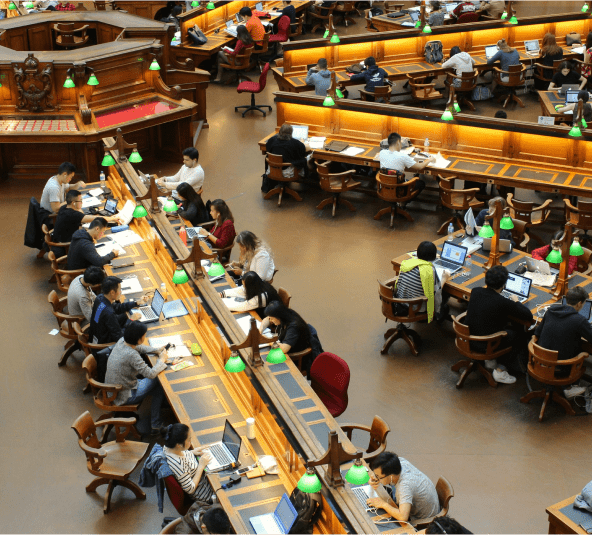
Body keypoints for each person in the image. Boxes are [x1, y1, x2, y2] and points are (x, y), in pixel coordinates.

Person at [464, 265, 533, 384]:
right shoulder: (502, 302)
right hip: (486, 344)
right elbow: (528, 315)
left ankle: (491, 361)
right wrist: (516, 301)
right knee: (521, 335)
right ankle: (500, 370)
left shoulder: (475, 291)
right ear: (503, 284)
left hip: (468, 338)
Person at [105, 321, 168, 435]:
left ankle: (156, 424)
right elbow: (150, 374)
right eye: (144, 335)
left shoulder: (122, 341)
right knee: (158, 379)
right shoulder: (132, 355)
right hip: (125, 395)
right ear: (139, 339)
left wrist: (156, 350)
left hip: (113, 389)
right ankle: (155, 423)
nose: (145, 336)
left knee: (158, 389)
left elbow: (139, 347)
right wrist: (162, 360)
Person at [534, 286, 592, 397]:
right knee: (582, 353)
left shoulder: (551, 310)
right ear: (579, 303)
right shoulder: (579, 320)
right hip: (560, 367)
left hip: (539, 361)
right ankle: (569, 387)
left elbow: (537, 332)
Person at [367, 452, 440, 523]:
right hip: (417, 505)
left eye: (378, 476)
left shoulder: (404, 486)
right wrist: (375, 476)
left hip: (423, 521)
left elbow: (403, 517)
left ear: (391, 476)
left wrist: (383, 504)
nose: (376, 477)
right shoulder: (399, 462)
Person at [395, 241, 450, 323]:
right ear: (434, 257)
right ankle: (437, 318)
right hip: (416, 308)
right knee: (445, 296)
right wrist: (444, 279)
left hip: (400, 303)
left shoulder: (407, 263)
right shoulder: (428, 270)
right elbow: (436, 293)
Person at [52, 190, 120, 255]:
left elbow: (80, 214)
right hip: (65, 246)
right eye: (80, 201)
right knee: (95, 239)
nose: (82, 203)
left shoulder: (64, 207)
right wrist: (112, 218)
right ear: (73, 203)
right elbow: (96, 218)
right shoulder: (73, 214)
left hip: (59, 239)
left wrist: (78, 206)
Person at [163, 424, 214, 504]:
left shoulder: (168, 447)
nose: (190, 442)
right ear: (179, 445)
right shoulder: (179, 465)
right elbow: (190, 489)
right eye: (189, 440)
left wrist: (191, 452)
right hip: (206, 494)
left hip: (203, 477)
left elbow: (182, 454)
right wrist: (201, 466)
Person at [89, 276, 146, 344]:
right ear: (112, 292)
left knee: (125, 315)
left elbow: (117, 307)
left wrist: (136, 303)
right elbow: (119, 337)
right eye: (119, 290)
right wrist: (131, 320)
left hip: (99, 331)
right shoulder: (109, 313)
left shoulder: (100, 298)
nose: (120, 292)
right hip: (104, 341)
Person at [378, 133, 435, 197]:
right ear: (398, 142)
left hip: (385, 188)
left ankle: (394, 201)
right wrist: (429, 160)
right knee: (421, 183)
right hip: (399, 191)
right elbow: (420, 167)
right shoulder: (402, 156)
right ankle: (404, 201)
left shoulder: (382, 153)